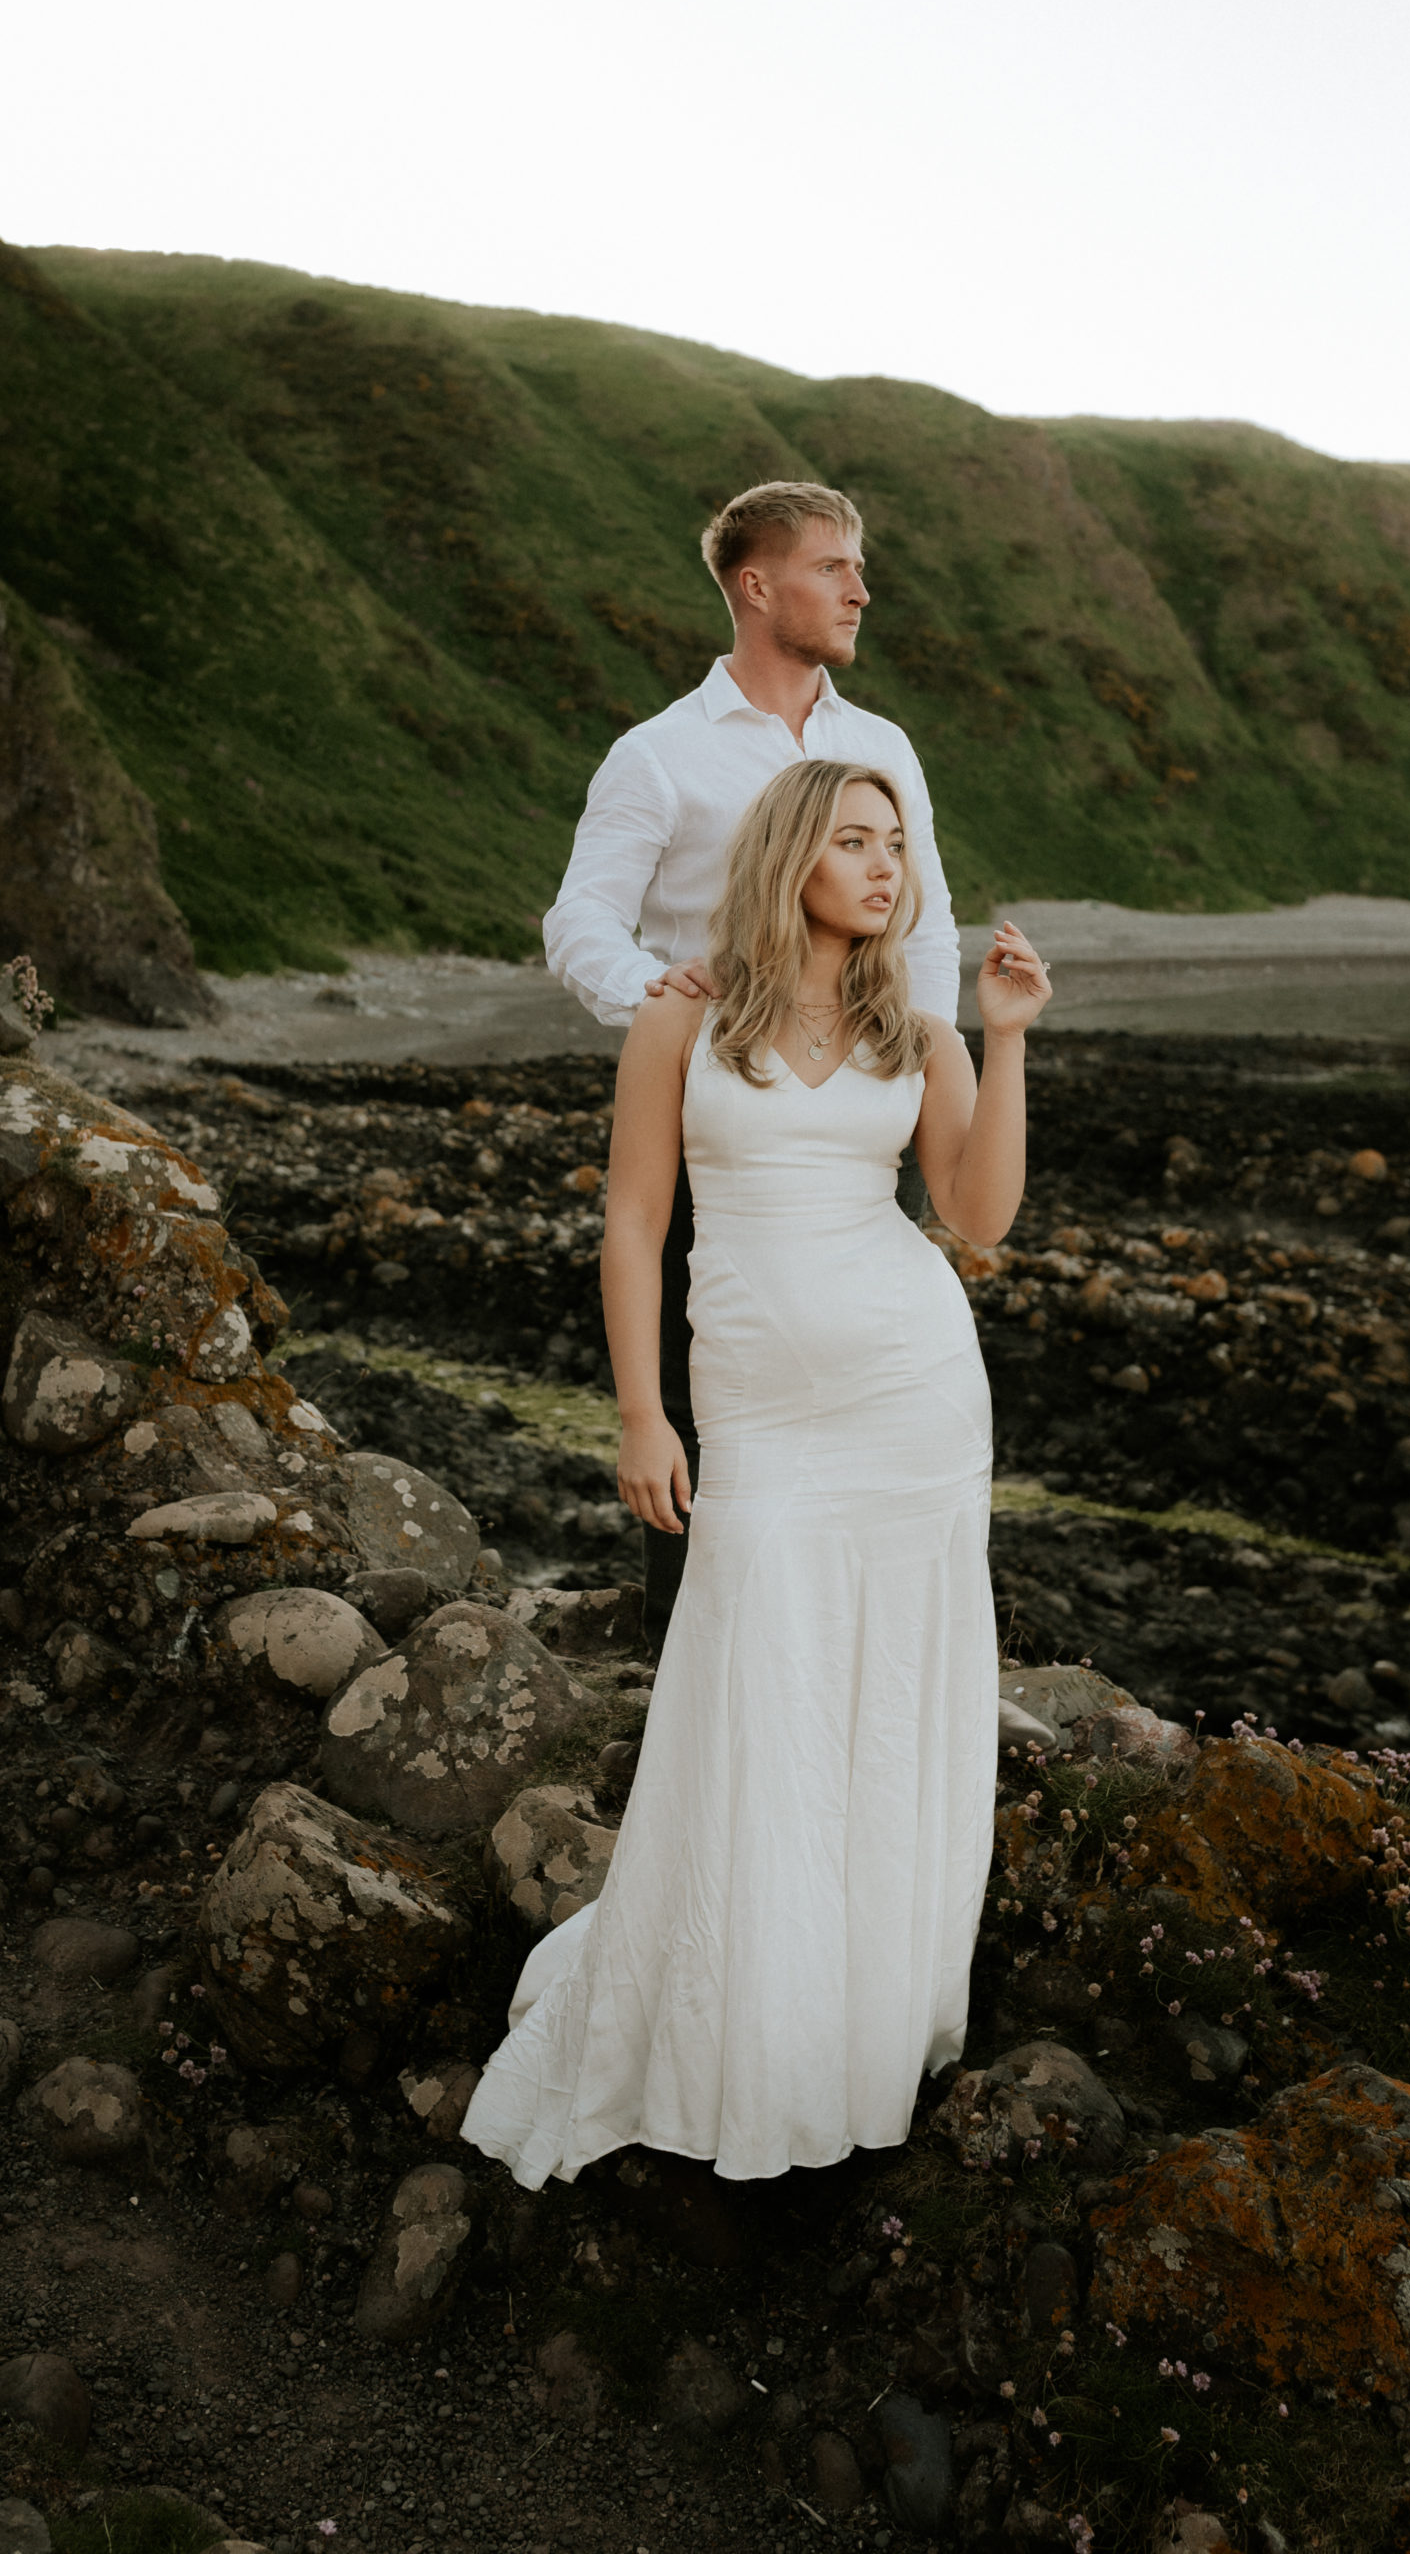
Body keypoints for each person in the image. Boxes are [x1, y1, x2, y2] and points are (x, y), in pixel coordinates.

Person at [459, 757, 1051, 2188]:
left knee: (885, 1700)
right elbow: (633, 1223)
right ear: (790, 854)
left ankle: (848, 2024)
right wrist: (643, 1418)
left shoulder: (919, 1030)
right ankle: (736, 2022)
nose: (884, 867)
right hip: (762, 1416)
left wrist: (1008, 1034)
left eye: (897, 845)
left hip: (910, 1405)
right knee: (756, 1685)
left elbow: (975, 1222)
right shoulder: (683, 1014)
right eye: (854, 840)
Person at [542, 480, 961, 1653]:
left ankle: (855, 1653)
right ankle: (701, 1670)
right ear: (757, 584)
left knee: (869, 1384)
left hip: (862, 1112)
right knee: (703, 1399)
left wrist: (932, 1074)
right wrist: (666, 1004)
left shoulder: (881, 748)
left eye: (859, 566)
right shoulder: (659, 755)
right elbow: (580, 921)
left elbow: (924, 929)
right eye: (836, 566)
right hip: (712, 1124)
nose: (861, 588)